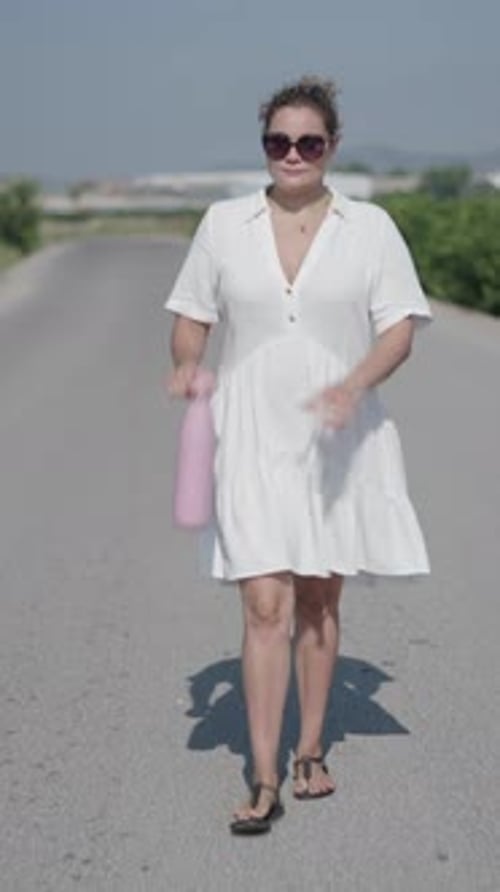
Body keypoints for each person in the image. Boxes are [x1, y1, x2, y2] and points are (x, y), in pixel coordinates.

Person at [164, 76, 432, 835]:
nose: (292, 154)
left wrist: (352, 387)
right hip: (247, 432)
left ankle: (311, 748)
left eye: (308, 142)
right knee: (263, 603)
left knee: (317, 600)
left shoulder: (371, 227)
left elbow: (399, 330)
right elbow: (191, 317)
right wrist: (187, 361)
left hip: (335, 437)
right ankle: (264, 775)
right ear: (264, 147)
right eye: (278, 142)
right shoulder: (222, 224)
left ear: (332, 147)